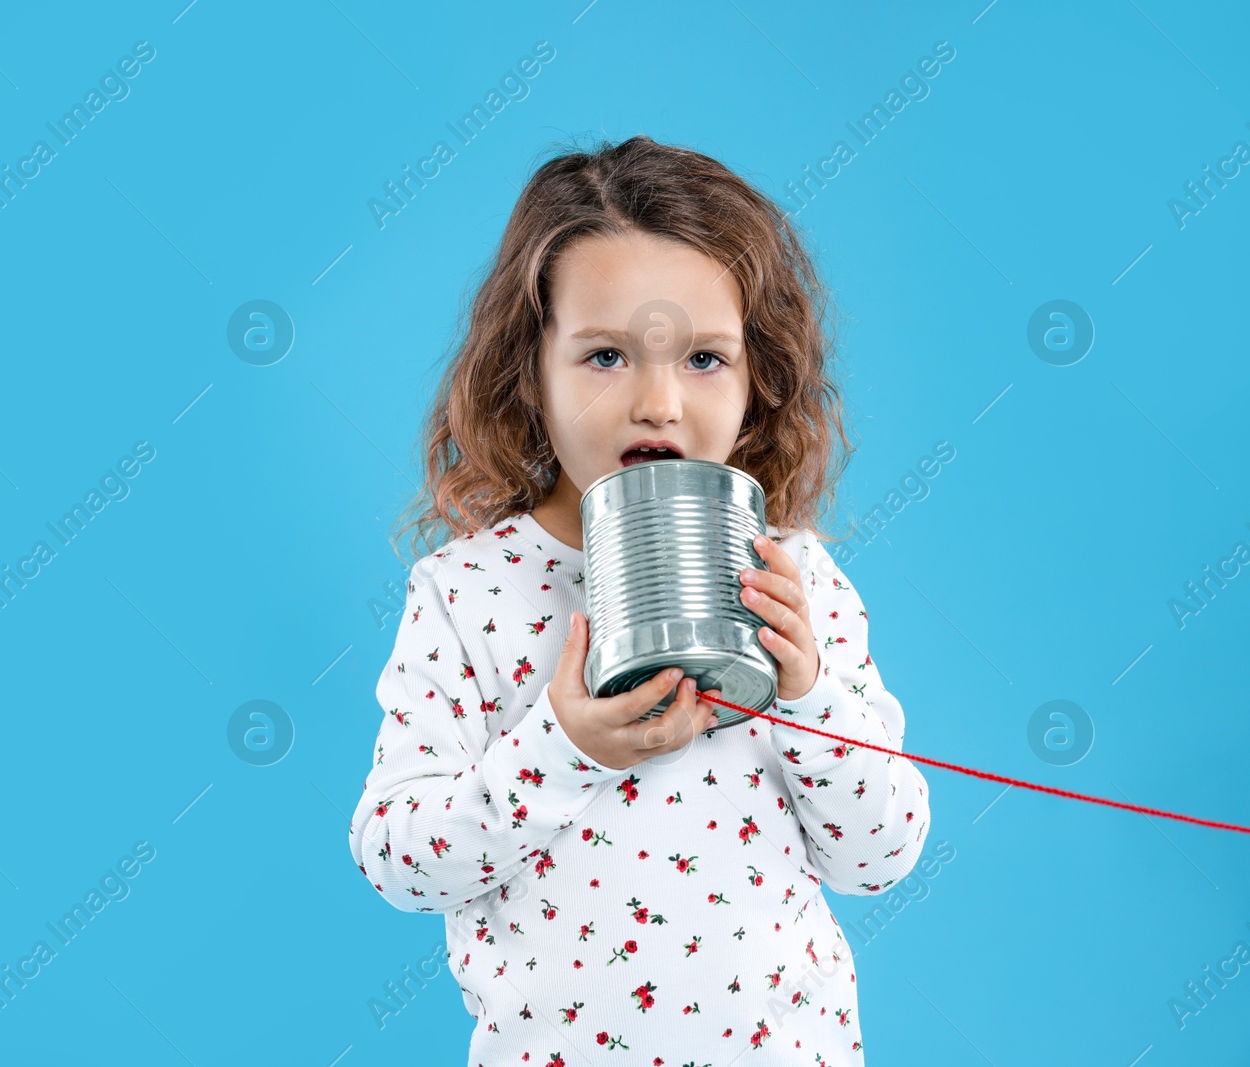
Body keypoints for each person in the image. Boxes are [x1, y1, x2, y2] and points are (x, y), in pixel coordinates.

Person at [348, 134, 931, 1066]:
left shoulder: (799, 581)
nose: (658, 402)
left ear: (757, 381)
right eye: (606, 355)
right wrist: (560, 749)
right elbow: (399, 858)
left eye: (704, 358)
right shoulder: (467, 594)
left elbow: (880, 855)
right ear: (529, 372)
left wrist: (813, 693)